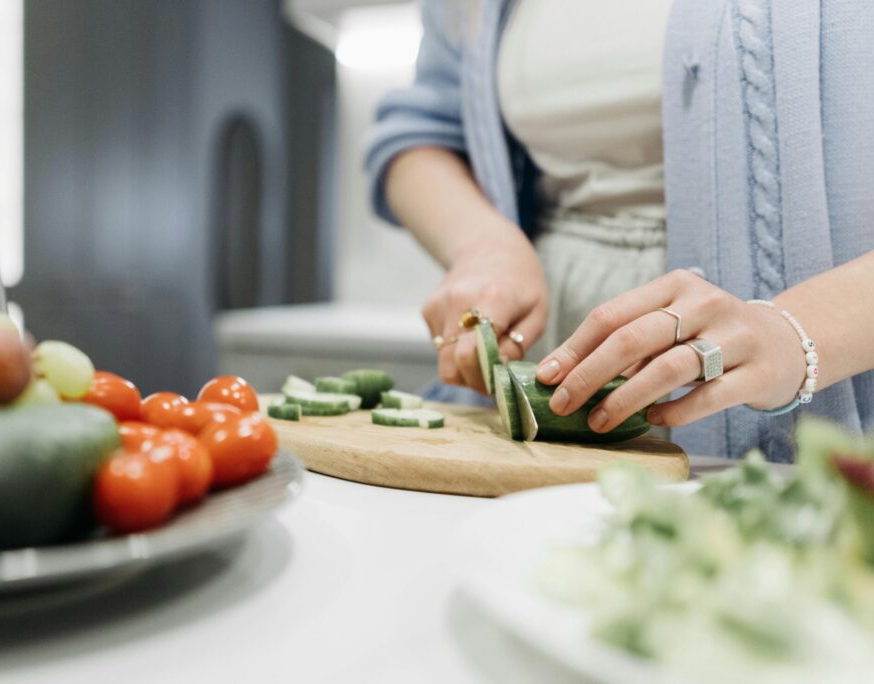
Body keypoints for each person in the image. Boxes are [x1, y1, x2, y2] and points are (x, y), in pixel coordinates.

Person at [364, 0, 874, 462]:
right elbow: (424, 134)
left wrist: (795, 333)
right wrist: (482, 244)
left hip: (809, 426)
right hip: (529, 422)